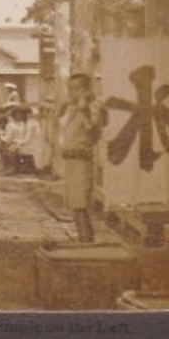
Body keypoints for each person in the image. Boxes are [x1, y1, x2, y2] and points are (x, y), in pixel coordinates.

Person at [57, 74, 108, 243]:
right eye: (70, 89)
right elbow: (60, 123)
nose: (73, 93)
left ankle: (86, 241)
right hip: (71, 160)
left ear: (87, 90)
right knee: (75, 204)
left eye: (77, 88)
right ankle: (85, 239)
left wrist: (84, 107)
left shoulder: (91, 107)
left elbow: (92, 128)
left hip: (82, 159)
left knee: (80, 203)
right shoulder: (72, 108)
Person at [0, 104, 39, 175]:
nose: (18, 116)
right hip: (25, 144)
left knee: (10, 147)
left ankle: (12, 167)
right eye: (17, 114)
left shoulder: (29, 124)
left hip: (30, 145)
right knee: (6, 145)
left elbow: (27, 139)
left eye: (20, 114)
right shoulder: (21, 124)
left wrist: (14, 141)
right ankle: (7, 165)